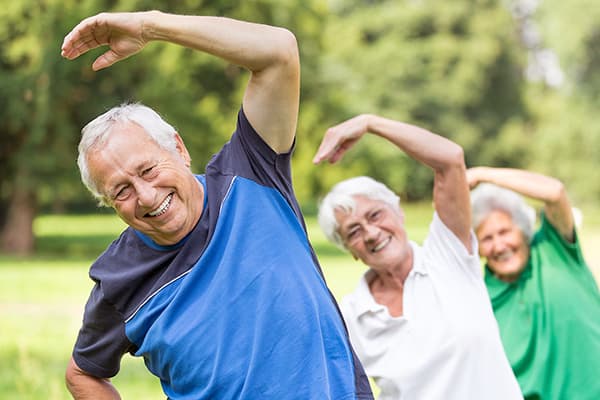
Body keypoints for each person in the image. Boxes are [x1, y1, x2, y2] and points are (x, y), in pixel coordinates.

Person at [61, 11, 373, 400]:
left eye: (148, 169)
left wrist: (150, 26)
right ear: (107, 202)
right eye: (121, 190)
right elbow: (83, 374)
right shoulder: (118, 281)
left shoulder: (252, 173)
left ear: (178, 148)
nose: (146, 195)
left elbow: (279, 52)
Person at [314, 114, 522, 399]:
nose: (372, 233)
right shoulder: (352, 316)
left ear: (399, 212)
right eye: (354, 232)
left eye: (376, 215)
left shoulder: (448, 255)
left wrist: (370, 123)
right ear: (350, 250)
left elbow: (450, 160)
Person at [468, 167, 600, 400]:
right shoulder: (479, 299)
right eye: (487, 238)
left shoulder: (555, 249)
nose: (499, 246)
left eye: (504, 231)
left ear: (522, 228)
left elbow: (554, 192)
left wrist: (481, 175)